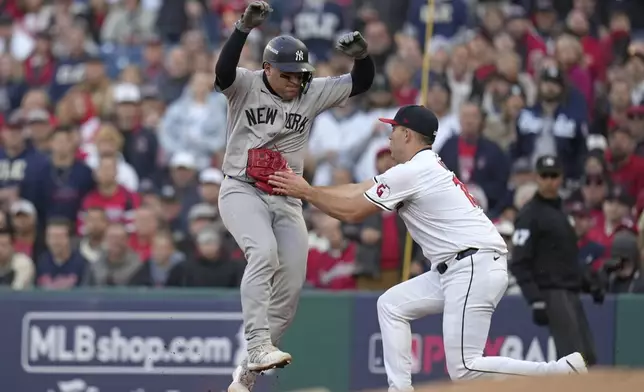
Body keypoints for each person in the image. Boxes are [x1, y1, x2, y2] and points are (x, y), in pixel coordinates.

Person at [267, 105, 587, 391]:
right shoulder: (420, 167)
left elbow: (352, 211)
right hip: (459, 266)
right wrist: (307, 188)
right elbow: (358, 189)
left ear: (407, 134)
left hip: (472, 264)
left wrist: (306, 192)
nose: (389, 137)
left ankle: (558, 372)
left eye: (393, 130)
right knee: (391, 305)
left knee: (463, 368)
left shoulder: (415, 171)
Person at [214, 1, 374, 389]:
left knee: (290, 287)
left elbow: (360, 83)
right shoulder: (247, 84)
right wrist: (241, 30)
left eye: (301, 75)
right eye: (287, 75)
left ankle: (246, 378)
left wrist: (363, 56)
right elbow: (221, 74)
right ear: (268, 68)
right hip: (241, 188)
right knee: (263, 253)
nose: (295, 82)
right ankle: (255, 344)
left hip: (287, 198)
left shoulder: (311, 92)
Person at [511, 155, 597, 366]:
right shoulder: (529, 214)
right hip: (551, 292)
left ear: (561, 178)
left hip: (571, 292)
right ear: (537, 178)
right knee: (573, 358)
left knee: (588, 357)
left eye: (554, 175)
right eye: (544, 175)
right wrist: (535, 299)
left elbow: (567, 258)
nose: (549, 181)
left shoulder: (561, 212)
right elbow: (519, 262)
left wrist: (589, 282)